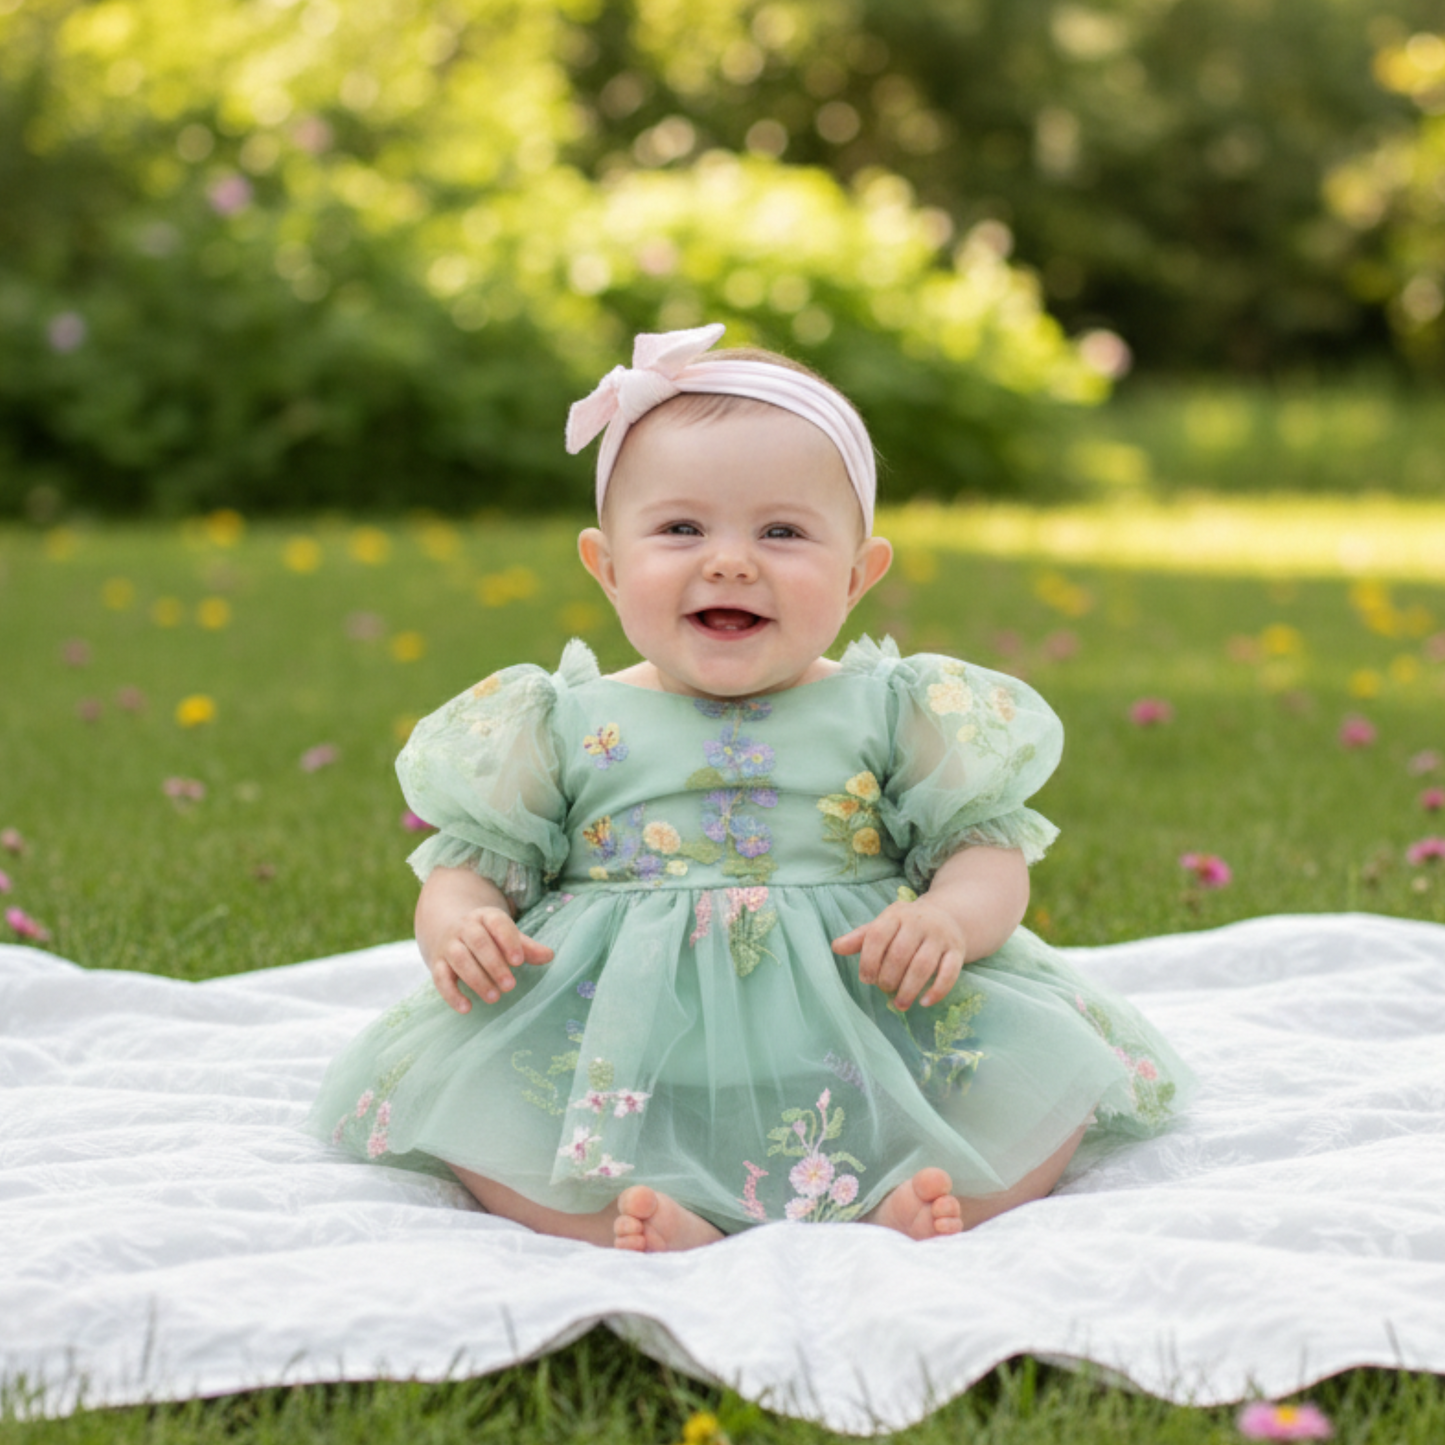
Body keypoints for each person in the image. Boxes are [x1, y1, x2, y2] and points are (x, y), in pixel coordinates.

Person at [309, 323, 1193, 1252]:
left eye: (781, 531)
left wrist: (947, 921)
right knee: (476, 1096)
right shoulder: (558, 722)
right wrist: (459, 922)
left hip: (861, 1017)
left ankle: (919, 1204)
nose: (730, 560)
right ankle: (620, 1212)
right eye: (681, 528)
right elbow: (471, 865)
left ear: (858, 575)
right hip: (628, 1032)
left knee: (1037, 1080)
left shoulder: (894, 709)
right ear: (606, 567)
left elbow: (986, 854)